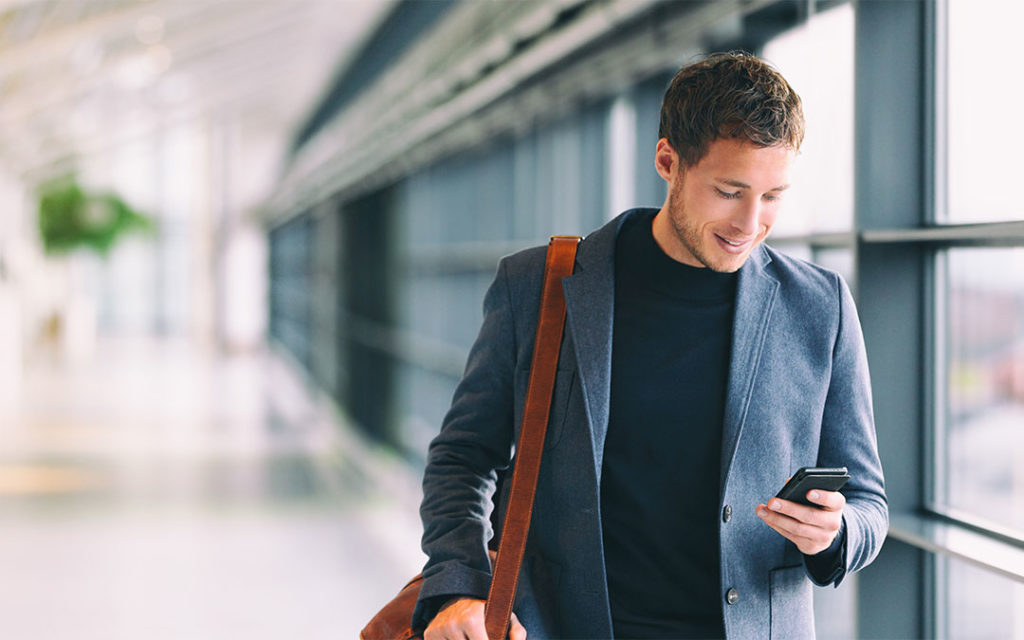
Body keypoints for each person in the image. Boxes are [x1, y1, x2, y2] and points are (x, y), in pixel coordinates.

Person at [413, 52, 887, 640]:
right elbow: (463, 457)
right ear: (668, 161)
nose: (750, 222)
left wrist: (835, 534)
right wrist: (458, 585)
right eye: (729, 191)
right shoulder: (539, 287)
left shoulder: (820, 307)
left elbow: (869, 502)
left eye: (772, 196)